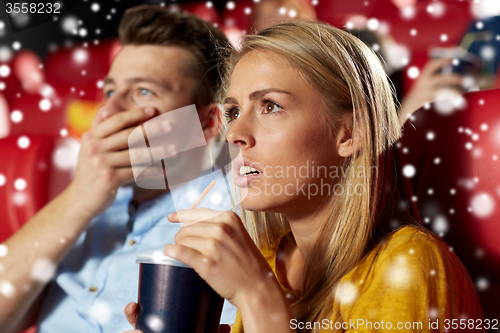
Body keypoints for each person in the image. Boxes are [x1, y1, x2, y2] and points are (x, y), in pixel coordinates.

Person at [124, 21, 483, 332]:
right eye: (233, 112)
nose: (235, 134)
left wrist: (257, 297)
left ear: (350, 133)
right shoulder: (268, 258)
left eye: (270, 106)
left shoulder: (407, 264)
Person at [0, 5, 237, 333]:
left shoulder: (234, 224)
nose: (109, 109)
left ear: (208, 122)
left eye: (143, 91)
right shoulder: (88, 203)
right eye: (110, 91)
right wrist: (79, 199)